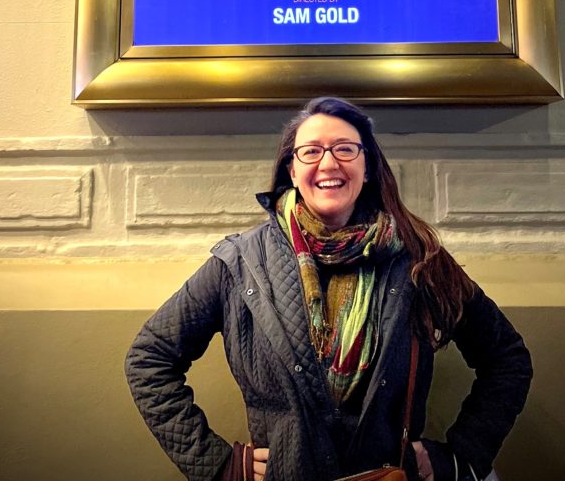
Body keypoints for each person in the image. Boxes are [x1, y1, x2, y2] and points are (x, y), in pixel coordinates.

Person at [126, 96, 532, 481]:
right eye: (311, 151)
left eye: (344, 149)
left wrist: (459, 456)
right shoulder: (241, 263)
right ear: (292, 169)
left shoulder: (418, 259)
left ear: (367, 166)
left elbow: (507, 359)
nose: (328, 162)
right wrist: (215, 463)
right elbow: (149, 359)